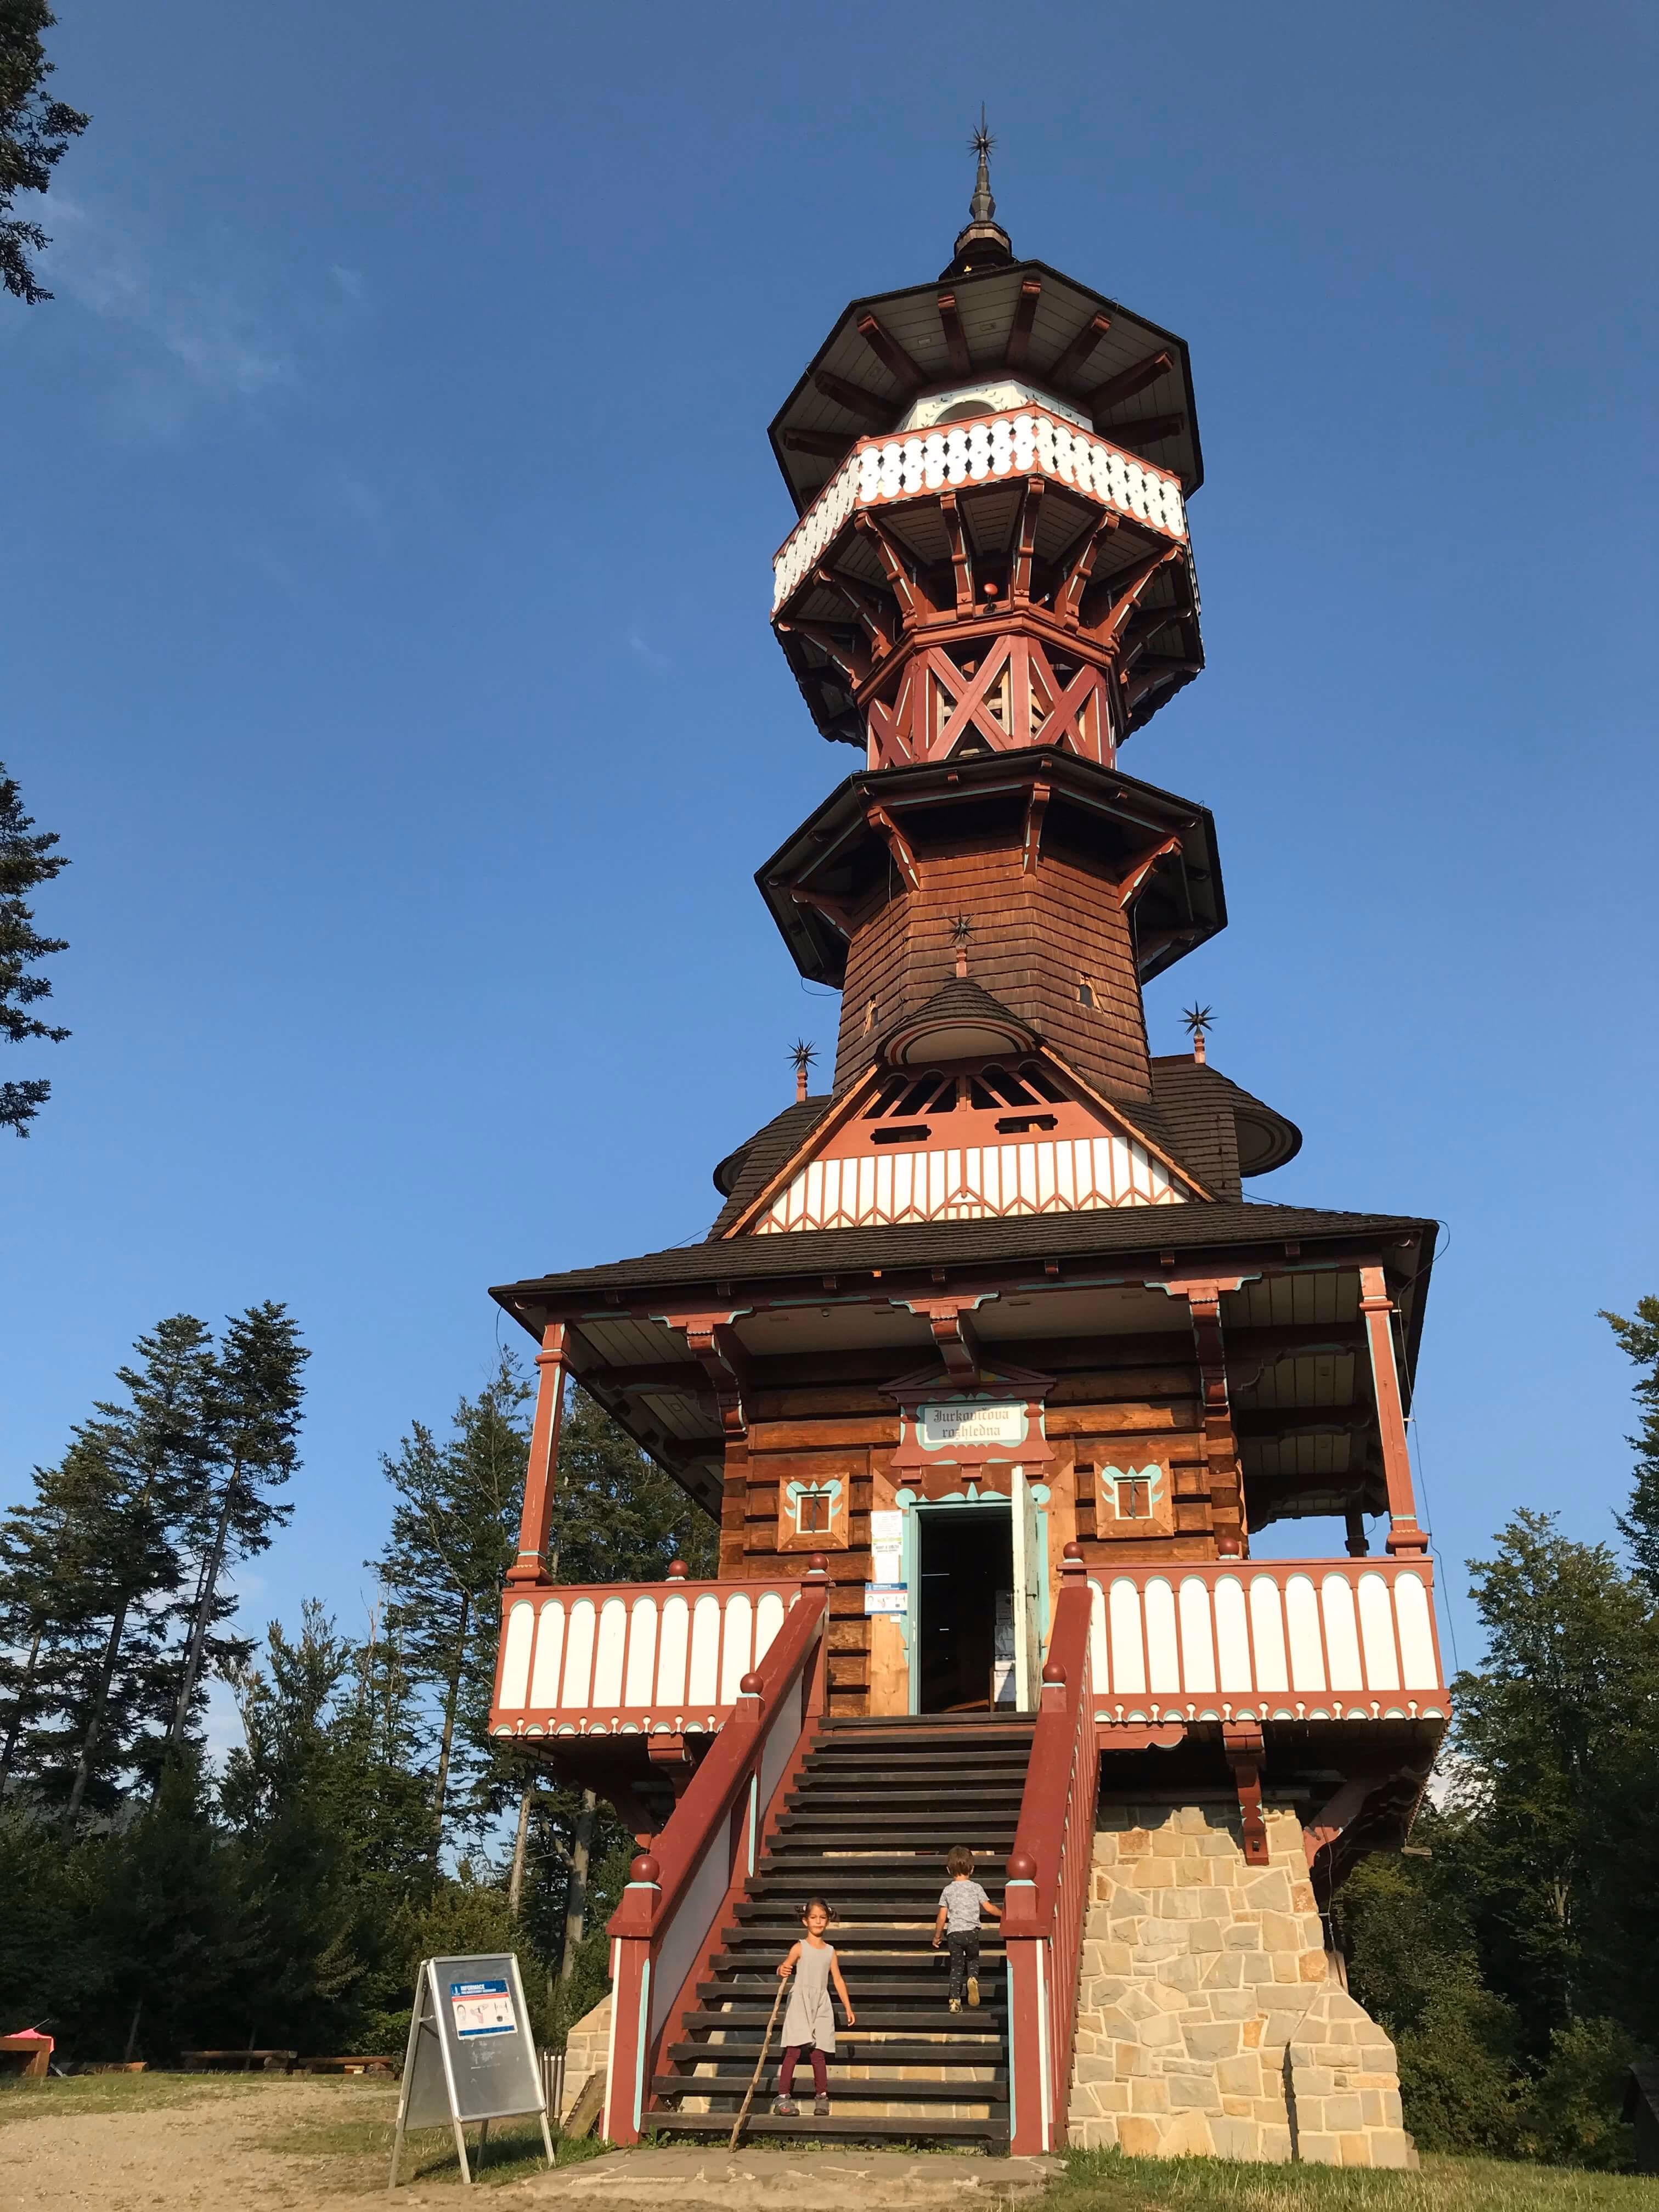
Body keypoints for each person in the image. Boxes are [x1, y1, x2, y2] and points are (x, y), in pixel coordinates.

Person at [772, 1897, 854, 2118]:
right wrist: (782, 1969)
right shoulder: (800, 1947)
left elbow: (837, 1980)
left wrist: (847, 2007)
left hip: (821, 2003)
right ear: (805, 1921)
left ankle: (822, 2097)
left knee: (819, 2052)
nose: (818, 1922)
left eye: (822, 1918)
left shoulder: (830, 1951)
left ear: (828, 1921)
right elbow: (785, 1966)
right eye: (814, 1918)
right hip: (800, 2001)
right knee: (793, 2050)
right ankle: (783, 2097)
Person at [932, 1845, 1001, 2012]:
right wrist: (1004, 1915)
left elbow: (942, 1916)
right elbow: (989, 1908)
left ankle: (954, 2001)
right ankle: (973, 1978)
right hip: (971, 1932)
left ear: (948, 1870)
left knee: (956, 1967)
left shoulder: (947, 1891)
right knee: (973, 1959)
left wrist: (937, 1936)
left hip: (954, 1934)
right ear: (972, 1869)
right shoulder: (976, 1888)